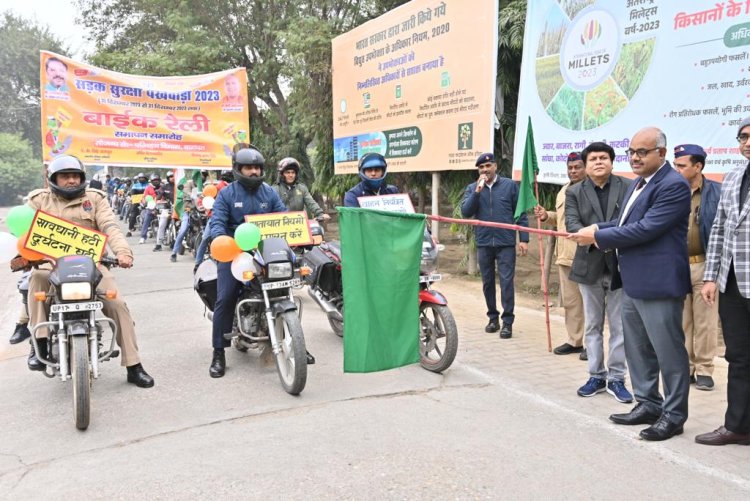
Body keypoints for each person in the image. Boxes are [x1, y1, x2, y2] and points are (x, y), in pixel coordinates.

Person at [570, 127, 691, 441]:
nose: (635, 158)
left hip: (660, 283)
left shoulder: (673, 185)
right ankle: (648, 403)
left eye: (643, 152)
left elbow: (645, 229)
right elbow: (625, 222)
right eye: (632, 152)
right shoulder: (641, 183)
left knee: (668, 352)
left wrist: (597, 237)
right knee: (638, 350)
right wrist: (598, 227)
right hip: (633, 282)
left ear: (661, 154)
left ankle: (674, 415)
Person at [25, 155, 154, 387]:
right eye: (65, 176)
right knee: (36, 279)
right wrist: (23, 256)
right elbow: (23, 230)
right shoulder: (39, 201)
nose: (72, 181)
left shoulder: (94, 199)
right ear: (53, 179)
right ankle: (40, 345)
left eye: (75, 176)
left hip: (91, 265)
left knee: (118, 305)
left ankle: (134, 365)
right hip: (50, 264)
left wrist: (123, 253)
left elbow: (110, 226)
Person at [208, 147, 286, 377]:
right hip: (233, 252)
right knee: (226, 296)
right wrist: (220, 239)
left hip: (264, 250)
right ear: (238, 169)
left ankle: (292, 339)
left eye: (257, 168)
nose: (254, 171)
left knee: (283, 287)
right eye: (249, 168)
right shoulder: (226, 194)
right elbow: (217, 223)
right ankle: (218, 352)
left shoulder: (269, 193)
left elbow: (282, 218)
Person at [696, 117, 750, 446]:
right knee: (739, 357)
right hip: (733, 284)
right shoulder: (732, 177)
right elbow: (719, 229)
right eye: (742, 136)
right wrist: (711, 277)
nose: (746, 141)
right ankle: (738, 426)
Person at [565, 142, 633, 403]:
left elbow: (627, 222)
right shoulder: (575, 192)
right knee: (593, 325)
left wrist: (594, 229)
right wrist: (606, 232)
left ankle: (617, 379)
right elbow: (572, 225)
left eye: (603, 157)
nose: (598, 162)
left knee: (619, 327)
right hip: (589, 266)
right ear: (587, 164)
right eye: (593, 158)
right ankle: (596, 375)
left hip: (620, 265)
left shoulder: (628, 187)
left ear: (612, 161)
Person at [461, 152, 529, 339]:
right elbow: (466, 212)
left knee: (506, 282)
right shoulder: (472, 188)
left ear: (495, 166)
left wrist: (523, 238)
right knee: (488, 282)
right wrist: (477, 192)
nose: (485, 170)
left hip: (506, 242)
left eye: (488, 166)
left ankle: (508, 322)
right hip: (484, 242)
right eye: (481, 167)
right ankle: (493, 318)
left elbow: (520, 213)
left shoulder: (509, 186)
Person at [673, 144, 720, 391]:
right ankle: (686, 368)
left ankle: (704, 368)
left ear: (698, 167)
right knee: (682, 321)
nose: (676, 169)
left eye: (681, 165)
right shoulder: (670, 191)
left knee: (705, 321)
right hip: (676, 265)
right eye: (675, 164)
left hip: (705, 265)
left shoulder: (716, 192)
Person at [534, 152, 586, 358]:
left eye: (577, 167)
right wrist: (547, 216)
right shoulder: (564, 190)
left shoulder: (592, 190)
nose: (573, 171)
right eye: (570, 167)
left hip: (586, 255)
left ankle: (592, 346)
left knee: (590, 303)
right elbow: (561, 220)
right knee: (572, 302)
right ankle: (575, 341)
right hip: (564, 255)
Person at [153, 171, 175, 252]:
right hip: (168, 209)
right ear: (168, 178)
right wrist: (158, 200)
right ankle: (158, 244)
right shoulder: (165, 187)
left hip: (179, 209)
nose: (173, 178)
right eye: (171, 176)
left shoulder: (180, 186)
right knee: (162, 223)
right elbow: (158, 196)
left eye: (174, 176)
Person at [138, 173, 163, 244]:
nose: (156, 181)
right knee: (147, 218)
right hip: (151, 207)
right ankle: (143, 237)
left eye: (157, 180)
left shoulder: (163, 187)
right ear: (151, 181)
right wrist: (146, 202)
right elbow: (145, 197)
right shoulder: (148, 188)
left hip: (162, 207)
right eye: (154, 180)